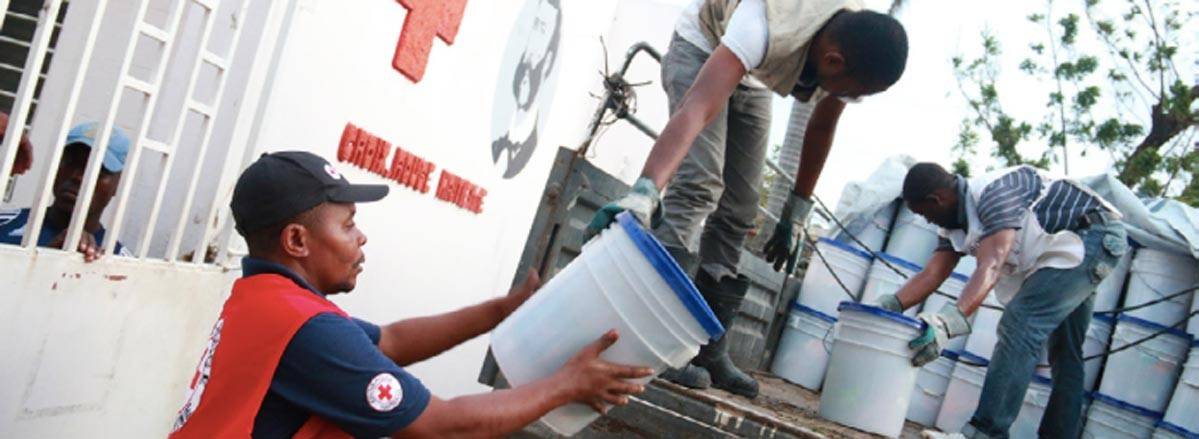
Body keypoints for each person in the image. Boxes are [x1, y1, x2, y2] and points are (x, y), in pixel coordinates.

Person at [169, 151, 651, 438]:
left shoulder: (262, 299)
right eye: (349, 224)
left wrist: (498, 312)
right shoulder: (309, 330)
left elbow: (393, 341)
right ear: (297, 241)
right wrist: (567, 385)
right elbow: (444, 427)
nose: (361, 238)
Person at [585, 0, 909, 398]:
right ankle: (655, 343)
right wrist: (646, 188)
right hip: (704, 47)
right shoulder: (761, 25)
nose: (851, 98)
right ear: (833, 62)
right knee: (698, 185)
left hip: (753, 78)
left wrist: (797, 210)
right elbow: (698, 105)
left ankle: (706, 346)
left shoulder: (854, 35)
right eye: (853, 92)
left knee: (740, 209)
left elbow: (822, 125)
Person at [875, 163, 1127, 438]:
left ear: (938, 199)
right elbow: (933, 273)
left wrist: (949, 322)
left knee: (1020, 324)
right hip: (1067, 247)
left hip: (1092, 236)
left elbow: (992, 264)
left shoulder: (994, 194)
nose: (927, 220)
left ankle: (986, 432)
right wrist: (888, 306)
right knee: (1066, 350)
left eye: (925, 213)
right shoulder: (954, 224)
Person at [0, 121, 132, 261]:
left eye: (99, 170)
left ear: (119, 185)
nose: (78, 177)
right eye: (71, 162)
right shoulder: (4, 224)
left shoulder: (124, 263)